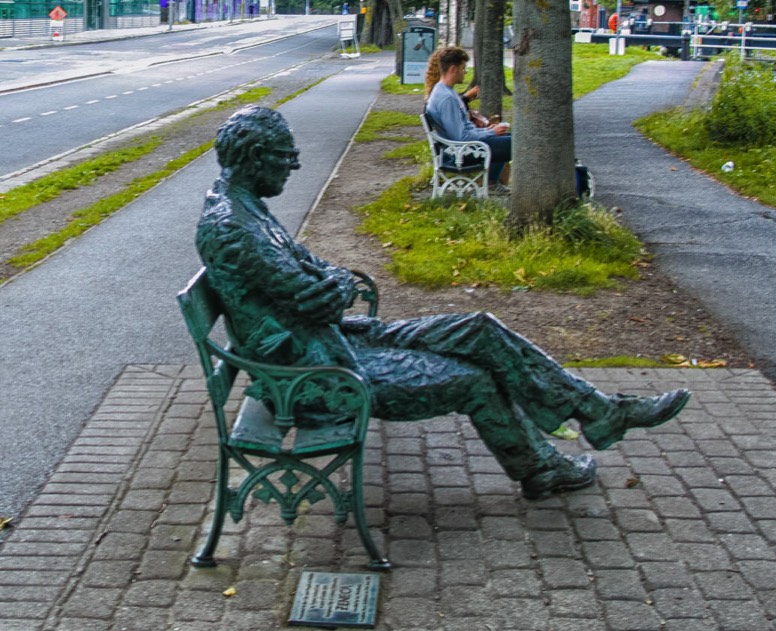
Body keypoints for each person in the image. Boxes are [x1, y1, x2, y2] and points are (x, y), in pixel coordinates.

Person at [195, 106, 690, 500]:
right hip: (316, 379)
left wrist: (332, 284)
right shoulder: (234, 227)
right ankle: (545, 466)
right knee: (476, 379)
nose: (294, 164)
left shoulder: (246, 208)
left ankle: (598, 411)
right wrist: (331, 286)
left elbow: (320, 272)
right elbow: (321, 293)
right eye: (285, 156)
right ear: (256, 157)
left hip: (337, 343)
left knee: (477, 329)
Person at [424, 46, 511, 191]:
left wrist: (489, 131)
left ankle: (492, 182)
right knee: (516, 143)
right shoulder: (446, 98)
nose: (465, 72)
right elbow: (462, 137)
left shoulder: (446, 92)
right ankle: (491, 184)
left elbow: (463, 131)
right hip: (460, 153)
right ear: (453, 69)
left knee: (510, 137)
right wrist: (491, 133)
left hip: (463, 147)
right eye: (463, 68)